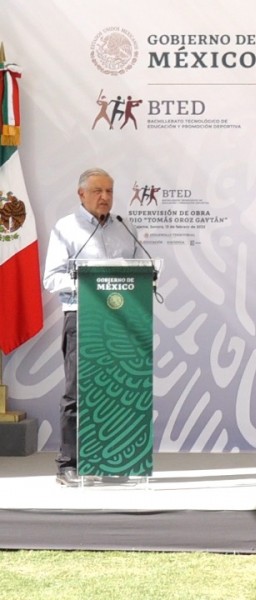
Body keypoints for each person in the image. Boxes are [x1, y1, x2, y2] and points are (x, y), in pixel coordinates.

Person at [42, 168, 142, 487]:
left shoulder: (125, 227)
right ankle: (69, 464)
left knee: (116, 391)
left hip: (120, 318)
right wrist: (86, 279)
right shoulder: (66, 229)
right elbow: (51, 278)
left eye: (110, 191)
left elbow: (140, 270)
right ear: (81, 194)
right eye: (98, 191)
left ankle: (110, 459)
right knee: (77, 392)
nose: (105, 197)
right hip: (82, 316)